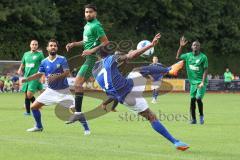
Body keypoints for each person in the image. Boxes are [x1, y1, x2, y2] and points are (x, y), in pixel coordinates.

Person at [68, 33, 189, 151]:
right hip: (129, 88)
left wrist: (106, 103)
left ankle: (176, 142)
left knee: (151, 117)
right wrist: (151, 45)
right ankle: (168, 69)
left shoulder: (95, 71)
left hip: (126, 100)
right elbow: (131, 56)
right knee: (139, 70)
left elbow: (113, 91)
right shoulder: (111, 59)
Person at [21, 39, 90, 135]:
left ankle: (86, 129)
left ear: (57, 48)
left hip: (63, 91)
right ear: (47, 48)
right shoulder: (44, 61)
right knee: (34, 107)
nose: (53, 47)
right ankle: (38, 126)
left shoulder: (62, 59)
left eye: (55, 46)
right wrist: (27, 79)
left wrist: (55, 77)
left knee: (76, 110)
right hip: (50, 91)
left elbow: (67, 72)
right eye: (51, 45)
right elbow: (39, 74)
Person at [65, 4, 109, 129]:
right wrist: (74, 44)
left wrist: (91, 51)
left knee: (77, 84)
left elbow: (106, 42)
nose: (88, 14)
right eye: (86, 12)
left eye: (90, 12)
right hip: (88, 58)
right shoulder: (87, 25)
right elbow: (86, 41)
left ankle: (78, 113)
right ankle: (78, 112)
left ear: (95, 13)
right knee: (78, 85)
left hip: (92, 58)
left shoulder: (96, 25)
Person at [176, 36, 208, 125]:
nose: (195, 46)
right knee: (192, 99)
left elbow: (206, 70)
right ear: (191, 47)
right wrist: (181, 46)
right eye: (194, 45)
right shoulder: (188, 55)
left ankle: (201, 116)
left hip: (201, 82)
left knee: (198, 98)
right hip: (193, 83)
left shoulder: (203, 57)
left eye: (197, 45)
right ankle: (193, 119)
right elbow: (177, 57)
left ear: (199, 47)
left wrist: (202, 82)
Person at [18, 40, 45, 115]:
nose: (34, 46)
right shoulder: (26, 54)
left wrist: (42, 76)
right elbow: (23, 63)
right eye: (33, 44)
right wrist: (20, 69)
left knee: (29, 94)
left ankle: (37, 105)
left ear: (37, 46)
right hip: (26, 77)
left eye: (36, 44)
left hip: (35, 77)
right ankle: (28, 112)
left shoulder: (40, 55)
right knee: (26, 94)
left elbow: (43, 66)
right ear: (30, 45)